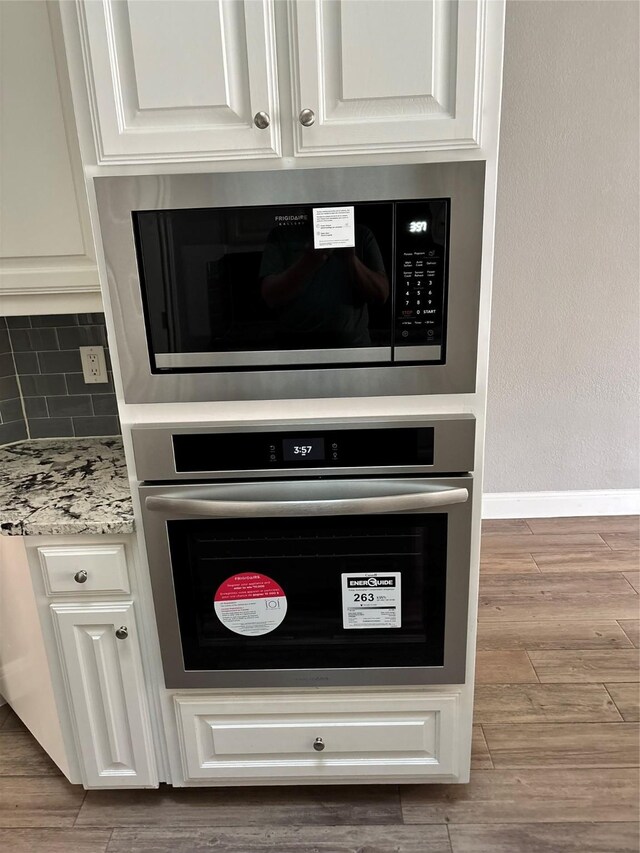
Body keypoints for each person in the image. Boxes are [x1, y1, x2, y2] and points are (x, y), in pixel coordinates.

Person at [259, 222, 389, 348]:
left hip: (353, 351)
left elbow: (381, 294)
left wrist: (350, 259)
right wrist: (310, 259)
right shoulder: (281, 234)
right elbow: (270, 296)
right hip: (295, 351)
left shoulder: (361, 233)